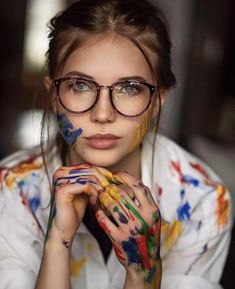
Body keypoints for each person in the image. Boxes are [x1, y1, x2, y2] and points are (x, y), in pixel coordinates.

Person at [0, 0, 232, 288]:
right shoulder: (10, 189)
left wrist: (142, 272)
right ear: (53, 94)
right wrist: (57, 244)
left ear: (158, 100)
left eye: (129, 88)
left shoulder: (202, 201)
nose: (103, 114)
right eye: (80, 85)